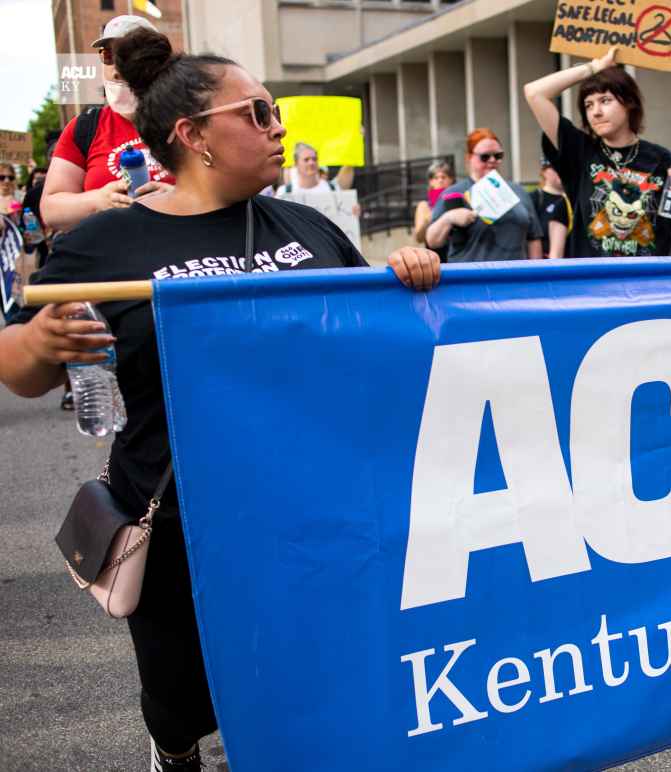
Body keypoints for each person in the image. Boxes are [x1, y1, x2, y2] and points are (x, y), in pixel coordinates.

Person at [0, 27, 440, 772]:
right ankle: (176, 753)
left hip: (310, 509)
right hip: (177, 521)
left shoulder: (306, 227)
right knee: (178, 700)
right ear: (193, 135)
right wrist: (39, 345)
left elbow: (377, 336)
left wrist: (408, 272)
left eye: (275, 114)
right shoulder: (106, 246)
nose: (280, 128)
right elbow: (21, 367)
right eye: (259, 114)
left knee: (309, 677)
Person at [523, 48, 671, 258]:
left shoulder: (661, 159)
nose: (596, 112)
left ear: (629, 103)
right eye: (588, 105)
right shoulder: (579, 150)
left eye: (605, 100)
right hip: (593, 284)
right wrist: (594, 67)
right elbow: (534, 92)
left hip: (647, 285)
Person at [41, 15, 175, 234]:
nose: (116, 68)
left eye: (129, 56)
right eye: (108, 55)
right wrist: (98, 200)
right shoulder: (84, 128)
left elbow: (228, 191)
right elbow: (51, 210)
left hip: (181, 255)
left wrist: (179, 199)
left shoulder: (189, 119)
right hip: (107, 260)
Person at [426, 128, 543, 262]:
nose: (492, 160)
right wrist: (448, 218)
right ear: (469, 158)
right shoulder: (454, 193)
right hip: (473, 278)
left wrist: (535, 275)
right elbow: (432, 241)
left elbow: (534, 238)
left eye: (498, 156)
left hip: (515, 278)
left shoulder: (518, 191)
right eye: (485, 156)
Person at [274, 142, 355, 197]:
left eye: (314, 159)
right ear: (296, 163)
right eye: (306, 159)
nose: (311, 163)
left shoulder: (332, 188)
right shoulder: (284, 192)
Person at [530, 155, 572, 259]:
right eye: (555, 167)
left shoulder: (574, 199)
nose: (561, 171)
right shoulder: (534, 199)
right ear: (544, 171)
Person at [412, 159, 454, 262]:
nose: (440, 180)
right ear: (431, 182)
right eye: (436, 178)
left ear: (451, 180)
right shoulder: (424, 206)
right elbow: (419, 238)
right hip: (435, 257)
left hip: (456, 255)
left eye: (444, 177)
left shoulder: (457, 200)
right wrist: (429, 219)